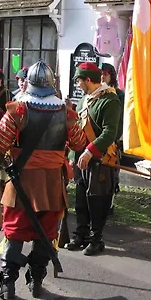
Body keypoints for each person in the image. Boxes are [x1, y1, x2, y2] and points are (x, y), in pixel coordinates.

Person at [0, 60, 86, 300]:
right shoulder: (66, 112)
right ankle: (36, 281)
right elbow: (78, 143)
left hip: (23, 181)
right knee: (46, 232)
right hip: (52, 183)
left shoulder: (18, 110)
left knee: (15, 231)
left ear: (29, 83)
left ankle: (8, 284)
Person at [65, 62, 121, 256]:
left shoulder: (110, 100)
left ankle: (96, 239)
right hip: (81, 158)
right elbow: (79, 129)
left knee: (97, 200)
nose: (78, 84)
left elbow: (110, 133)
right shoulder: (84, 100)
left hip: (99, 159)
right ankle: (81, 234)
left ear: (88, 80)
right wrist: (73, 155)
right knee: (81, 199)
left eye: (79, 81)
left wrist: (90, 151)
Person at [101, 62, 125, 214]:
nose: (102, 77)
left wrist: (113, 138)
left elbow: (120, 120)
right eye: (101, 74)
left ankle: (109, 204)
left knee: (112, 174)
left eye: (105, 74)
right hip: (97, 139)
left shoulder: (119, 95)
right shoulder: (96, 92)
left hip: (113, 141)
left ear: (111, 76)